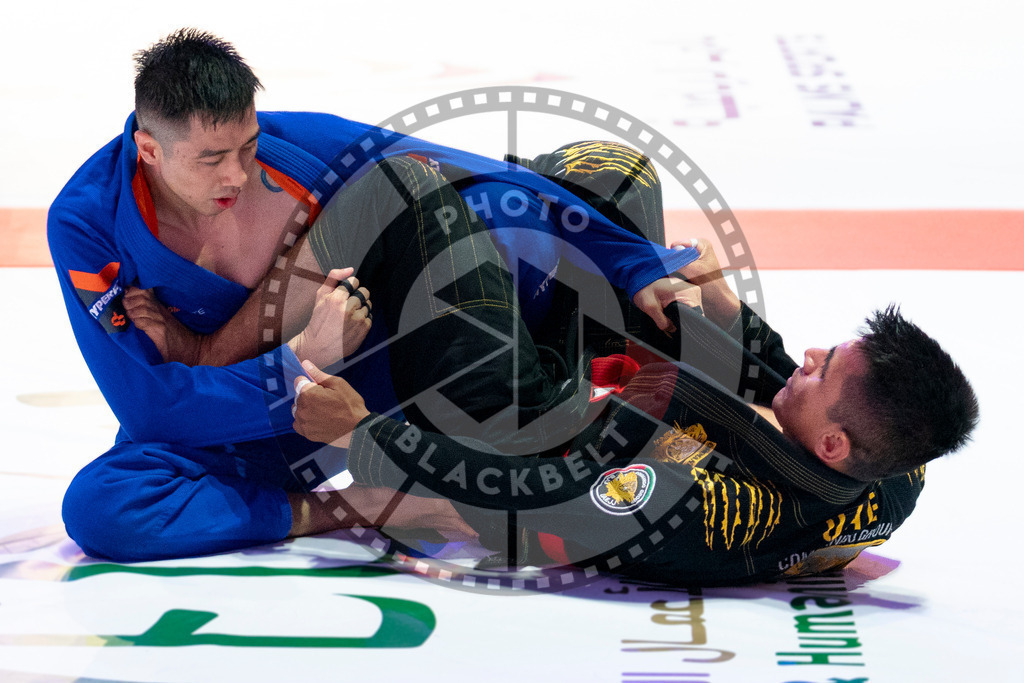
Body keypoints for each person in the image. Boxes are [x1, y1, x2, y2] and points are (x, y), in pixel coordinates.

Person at [49, 28, 701, 562]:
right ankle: (369, 501)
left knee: (582, 193)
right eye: (211, 158)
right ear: (148, 150)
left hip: (389, 365)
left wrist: (633, 258)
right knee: (101, 507)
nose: (237, 173)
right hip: (252, 416)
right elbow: (151, 409)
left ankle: (589, 384)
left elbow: (457, 168)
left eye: (247, 146)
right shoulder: (86, 223)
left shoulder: (297, 145)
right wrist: (300, 359)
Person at [290, 237, 980, 585]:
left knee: (438, 224)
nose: (805, 353)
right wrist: (724, 307)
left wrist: (365, 437)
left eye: (822, 367)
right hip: (599, 382)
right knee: (615, 177)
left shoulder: (706, 508)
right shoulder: (896, 470)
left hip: (513, 426)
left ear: (834, 445)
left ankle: (277, 307)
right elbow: (782, 404)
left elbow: (529, 494)